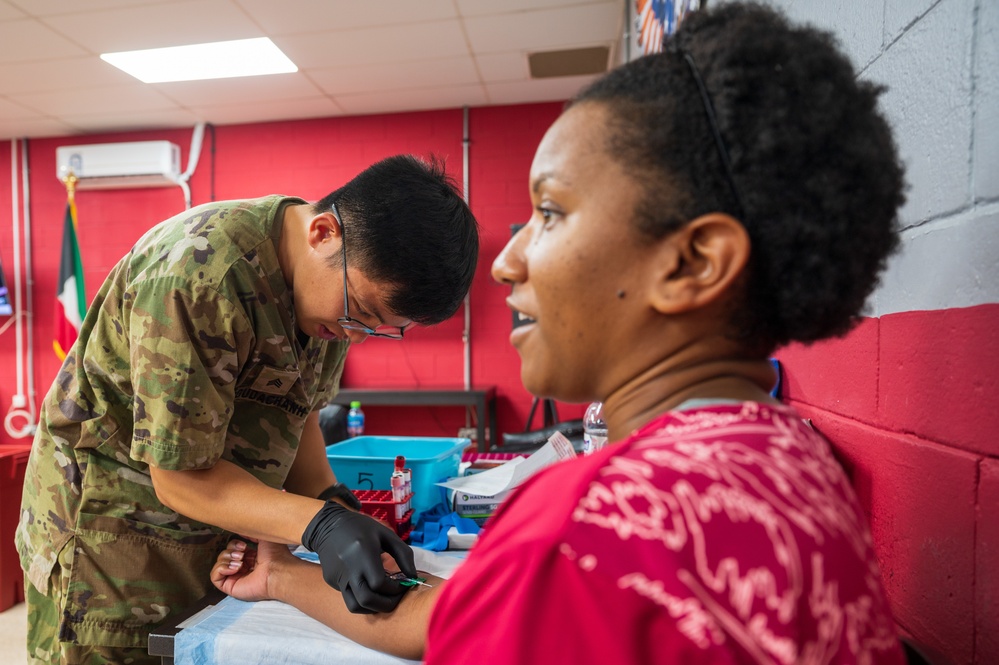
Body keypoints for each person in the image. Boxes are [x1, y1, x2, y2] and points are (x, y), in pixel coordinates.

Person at [211, 3, 909, 663]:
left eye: (550, 213)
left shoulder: (582, 524)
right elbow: (476, 611)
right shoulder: (790, 456)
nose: (508, 263)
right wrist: (280, 575)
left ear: (692, 262)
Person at [16, 154, 479, 664]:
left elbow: (295, 414)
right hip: (111, 531)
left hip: (209, 525)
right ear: (324, 232)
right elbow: (179, 477)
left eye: (376, 327)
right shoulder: (200, 277)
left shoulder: (329, 292)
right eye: (361, 314)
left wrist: (336, 505)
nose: (355, 336)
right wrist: (318, 524)